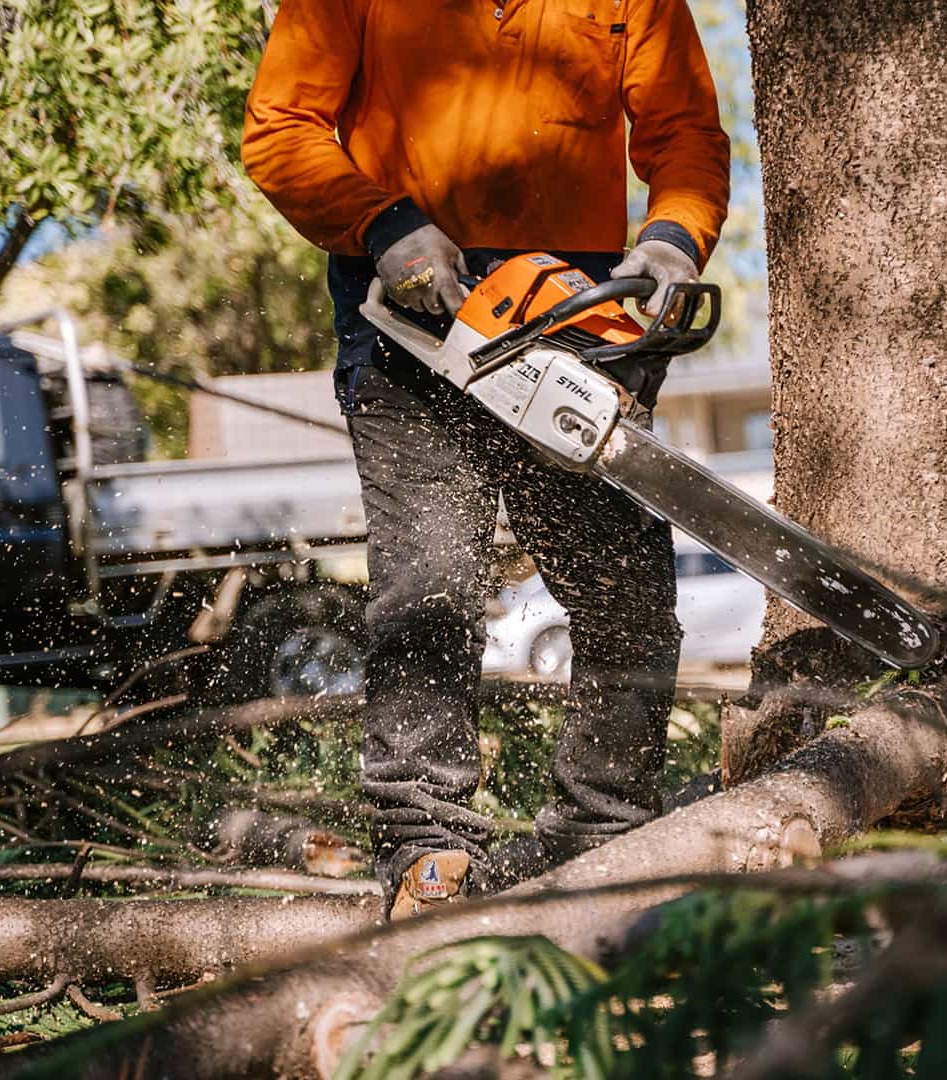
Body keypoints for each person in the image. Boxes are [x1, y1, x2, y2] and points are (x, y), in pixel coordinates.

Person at [241, 0, 730, 918]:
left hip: (579, 309)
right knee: (429, 579)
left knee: (621, 581)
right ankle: (426, 843)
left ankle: (605, 830)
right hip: (406, 301)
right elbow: (279, 130)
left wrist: (671, 238)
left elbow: (684, 131)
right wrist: (383, 224)